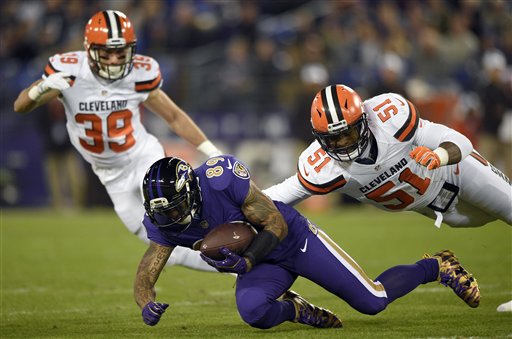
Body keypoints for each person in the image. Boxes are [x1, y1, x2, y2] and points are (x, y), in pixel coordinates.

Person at [134, 155, 480, 328]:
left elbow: (276, 223)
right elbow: (148, 269)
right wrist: (146, 301)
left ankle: (437, 265)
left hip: (292, 239)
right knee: (254, 312)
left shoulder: (219, 180)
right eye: (162, 210)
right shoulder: (165, 222)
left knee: (372, 301)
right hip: (262, 261)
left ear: (191, 190)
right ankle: (298, 309)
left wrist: (249, 260)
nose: (171, 217)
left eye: (176, 206)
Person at [262, 84, 511, 311]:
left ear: (364, 121)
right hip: (437, 208)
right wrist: (233, 196)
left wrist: (439, 157)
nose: (342, 144)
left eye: (347, 133)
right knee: (482, 219)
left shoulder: (390, 119)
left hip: (457, 173)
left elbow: (459, 140)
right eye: (332, 139)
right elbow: (276, 197)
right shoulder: (321, 167)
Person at [13, 10, 221, 271]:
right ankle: (239, 268)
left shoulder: (140, 72)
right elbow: (20, 106)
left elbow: (174, 117)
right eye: (106, 53)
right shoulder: (69, 71)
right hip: (110, 176)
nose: (113, 60)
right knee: (164, 247)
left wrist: (212, 152)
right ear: (89, 50)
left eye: (120, 53)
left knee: (180, 214)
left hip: (143, 157)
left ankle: (252, 239)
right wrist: (40, 88)